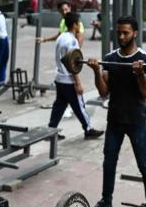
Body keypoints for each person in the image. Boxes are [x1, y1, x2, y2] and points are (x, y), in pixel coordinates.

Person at [87, 16, 146, 207]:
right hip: (115, 120)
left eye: (125, 33)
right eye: (119, 32)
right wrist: (94, 71)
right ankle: (106, 201)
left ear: (135, 33)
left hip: (137, 120)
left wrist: (139, 75)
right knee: (109, 162)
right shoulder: (110, 58)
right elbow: (103, 91)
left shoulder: (145, 59)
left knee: (144, 165)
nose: (121, 36)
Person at [43, 12, 104, 141]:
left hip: (59, 77)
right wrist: (78, 83)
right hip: (68, 79)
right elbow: (73, 64)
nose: (79, 26)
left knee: (60, 104)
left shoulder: (61, 37)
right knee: (79, 105)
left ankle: (51, 129)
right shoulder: (72, 41)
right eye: (79, 23)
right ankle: (88, 129)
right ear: (75, 24)